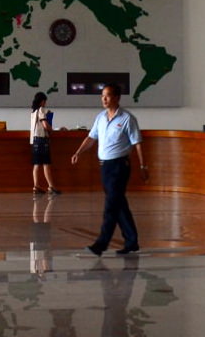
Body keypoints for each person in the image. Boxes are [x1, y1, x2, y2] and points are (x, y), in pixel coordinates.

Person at [71, 84, 148, 256]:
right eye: (102, 96)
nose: (104, 99)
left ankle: (101, 243)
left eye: (107, 96)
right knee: (119, 204)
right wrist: (79, 152)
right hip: (105, 167)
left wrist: (143, 166)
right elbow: (91, 138)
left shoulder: (127, 118)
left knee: (111, 206)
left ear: (117, 98)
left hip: (119, 166)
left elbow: (137, 143)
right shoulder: (100, 118)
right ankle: (132, 241)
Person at [31, 92, 61, 198]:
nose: (45, 103)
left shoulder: (33, 112)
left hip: (34, 141)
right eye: (45, 101)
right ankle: (51, 186)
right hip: (42, 140)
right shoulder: (42, 110)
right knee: (46, 164)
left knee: (36, 164)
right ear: (42, 101)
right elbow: (45, 125)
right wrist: (52, 129)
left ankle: (36, 186)